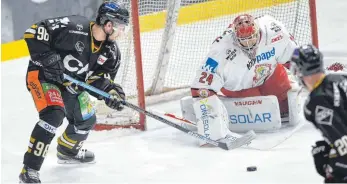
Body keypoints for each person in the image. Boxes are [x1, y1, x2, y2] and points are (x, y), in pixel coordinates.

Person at [19, 1, 129, 183]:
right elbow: (33, 32)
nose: (122, 32)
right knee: (54, 115)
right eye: (120, 27)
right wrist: (48, 58)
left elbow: (97, 79)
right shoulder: (74, 27)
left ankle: (67, 151)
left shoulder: (112, 53)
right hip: (43, 76)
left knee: (87, 119)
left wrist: (111, 92)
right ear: (108, 24)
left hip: (71, 85)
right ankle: (29, 169)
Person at [180, 14, 299, 144]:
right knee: (258, 113)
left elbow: (296, 57)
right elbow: (202, 86)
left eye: (251, 38)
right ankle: (219, 112)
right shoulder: (221, 48)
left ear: (258, 31)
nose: (248, 44)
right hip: (239, 87)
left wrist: (313, 81)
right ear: (235, 36)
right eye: (244, 40)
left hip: (269, 75)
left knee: (285, 109)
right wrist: (209, 129)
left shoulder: (274, 30)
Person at [290, 44, 347, 183]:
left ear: (299, 70)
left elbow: (344, 144)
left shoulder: (315, 103)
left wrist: (330, 167)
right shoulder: (340, 78)